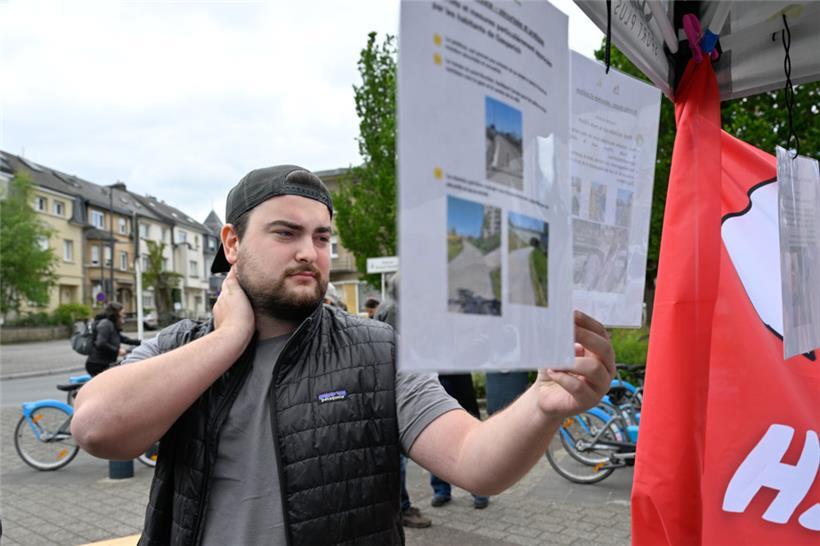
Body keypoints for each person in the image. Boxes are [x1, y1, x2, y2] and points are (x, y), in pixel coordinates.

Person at [72, 165, 615, 546]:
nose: (310, 252)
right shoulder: (182, 346)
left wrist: (544, 403)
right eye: (285, 233)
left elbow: (476, 461)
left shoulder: (376, 350)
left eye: (322, 236)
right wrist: (226, 340)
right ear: (232, 243)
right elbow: (97, 428)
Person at [374, 273, 432, 529]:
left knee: (395, 457)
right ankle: (402, 509)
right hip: (393, 389)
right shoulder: (396, 309)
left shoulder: (387, 307)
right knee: (397, 458)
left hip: (385, 386)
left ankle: (399, 506)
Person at [429, 373, 490, 509]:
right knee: (437, 435)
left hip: (459, 373)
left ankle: (479, 489)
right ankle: (441, 490)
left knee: (470, 434)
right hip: (434, 374)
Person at [84, 302, 140, 377]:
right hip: (97, 363)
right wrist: (117, 350)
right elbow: (101, 343)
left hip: (105, 362)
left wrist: (142, 342)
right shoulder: (106, 324)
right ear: (116, 313)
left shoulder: (112, 324)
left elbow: (123, 339)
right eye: (122, 313)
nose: (124, 315)